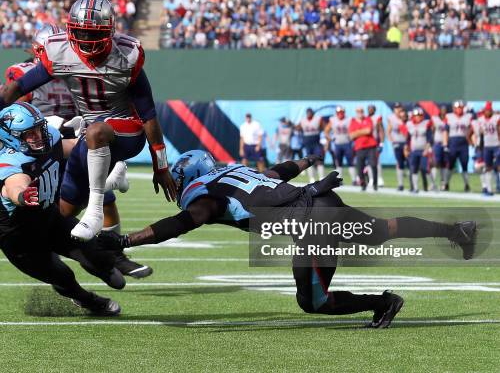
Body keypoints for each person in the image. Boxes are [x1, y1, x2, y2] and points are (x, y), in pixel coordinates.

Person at [97, 150, 477, 328]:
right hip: (323, 204)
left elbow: (181, 223)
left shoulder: (208, 196)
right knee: (384, 230)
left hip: (312, 224)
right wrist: (309, 160)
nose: (178, 187)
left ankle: (384, 302)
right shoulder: (234, 171)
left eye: (180, 181)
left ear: (192, 175)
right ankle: (454, 231)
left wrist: (127, 241)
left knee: (312, 301)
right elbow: (277, 171)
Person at [0, 0, 177, 242]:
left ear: (110, 30)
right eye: (81, 32)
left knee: (97, 131)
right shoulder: (61, 51)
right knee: (64, 211)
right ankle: (111, 188)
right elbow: (19, 86)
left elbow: (149, 116)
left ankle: (95, 211)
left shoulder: (126, 56)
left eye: (93, 32)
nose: (86, 39)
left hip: (126, 129)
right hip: (89, 134)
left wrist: (160, 165)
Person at [3, 23, 152, 278]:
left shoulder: (77, 65)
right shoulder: (29, 74)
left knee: (104, 199)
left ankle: (112, 253)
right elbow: (14, 115)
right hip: (44, 147)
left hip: (78, 140)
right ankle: (68, 260)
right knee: (56, 209)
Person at [0, 102, 125, 316]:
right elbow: (13, 186)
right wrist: (22, 195)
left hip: (50, 218)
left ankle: (105, 266)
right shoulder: (10, 162)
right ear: (12, 137)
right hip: (19, 237)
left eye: (38, 128)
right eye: (28, 133)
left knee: (96, 253)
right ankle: (88, 301)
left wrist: (97, 143)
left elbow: (73, 148)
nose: (37, 135)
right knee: (62, 275)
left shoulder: (50, 138)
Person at [444, 100, 473, 191]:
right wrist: (445, 144)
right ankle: (446, 183)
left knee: (465, 164)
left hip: (463, 142)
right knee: (450, 165)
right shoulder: (449, 116)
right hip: (453, 141)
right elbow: (446, 131)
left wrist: (471, 140)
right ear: (454, 108)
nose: (459, 109)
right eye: (458, 107)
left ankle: (467, 185)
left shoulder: (468, 116)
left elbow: (472, 128)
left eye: (461, 107)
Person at [325, 106, 356, 185]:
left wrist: (352, 137)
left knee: (350, 162)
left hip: (347, 143)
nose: (340, 114)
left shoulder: (349, 119)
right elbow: (326, 131)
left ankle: (354, 180)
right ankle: (340, 180)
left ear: (344, 112)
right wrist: (331, 138)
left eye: (341, 112)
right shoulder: (333, 120)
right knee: (339, 163)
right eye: (338, 112)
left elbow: (354, 129)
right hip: (338, 144)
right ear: (336, 113)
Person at [349, 106, 378, 191]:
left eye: (361, 111)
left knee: (373, 165)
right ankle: (363, 183)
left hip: (371, 146)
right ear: (356, 112)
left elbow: (368, 130)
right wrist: (362, 131)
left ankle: (375, 184)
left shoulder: (368, 119)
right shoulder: (353, 121)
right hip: (359, 147)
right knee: (360, 166)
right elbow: (351, 135)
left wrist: (357, 132)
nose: (360, 113)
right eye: (358, 111)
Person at [404, 108, 432, 193]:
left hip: (423, 150)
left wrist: (427, 149)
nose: (418, 117)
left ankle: (427, 185)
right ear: (413, 116)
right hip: (414, 150)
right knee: (414, 169)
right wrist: (406, 149)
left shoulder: (425, 124)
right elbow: (408, 139)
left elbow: (429, 138)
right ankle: (415, 187)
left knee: (424, 168)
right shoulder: (409, 124)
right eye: (416, 116)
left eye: (420, 116)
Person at [475, 101, 499, 195]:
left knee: (498, 166)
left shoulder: (496, 118)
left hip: (496, 145)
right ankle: (488, 189)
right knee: (487, 167)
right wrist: (480, 147)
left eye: (489, 110)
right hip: (486, 146)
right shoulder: (480, 120)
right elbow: (480, 134)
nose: (487, 112)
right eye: (486, 110)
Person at [297, 108, 324, 183]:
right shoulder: (303, 120)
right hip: (307, 144)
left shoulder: (318, 119)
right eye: (308, 113)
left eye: (310, 112)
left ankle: (321, 177)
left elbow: (323, 127)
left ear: (313, 113)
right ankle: (311, 178)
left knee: (319, 160)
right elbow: (297, 128)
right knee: (309, 161)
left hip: (316, 142)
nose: (309, 114)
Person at [387, 103, 408, 191]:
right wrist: (392, 142)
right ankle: (400, 184)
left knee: (410, 162)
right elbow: (388, 131)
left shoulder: (406, 117)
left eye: (399, 108)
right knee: (399, 163)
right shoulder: (391, 118)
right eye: (396, 108)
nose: (397, 109)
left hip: (406, 143)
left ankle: (412, 183)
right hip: (397, 142)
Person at [430, 106, 448, 191]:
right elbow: (432, 130)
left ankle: (443, 183)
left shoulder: (448, 119)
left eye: (445, 110)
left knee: (444, 164)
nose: (443, 112)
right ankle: (433, 183)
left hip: (446, 144)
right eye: (442, 110)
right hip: (437, 142)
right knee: (435, 163)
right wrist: (431, 143)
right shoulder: (435, 119)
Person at [367, 105, 385, 187]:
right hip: (366, 142)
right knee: (368, 162)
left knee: (376, 161)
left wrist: (381, 143)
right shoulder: (365, 118)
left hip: (375, 142)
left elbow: (381, 130)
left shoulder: (377, 118)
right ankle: (371, 179)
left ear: (374, 110)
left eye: (371, 109)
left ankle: (379, 179)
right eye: (369, 109)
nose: (370, 110)